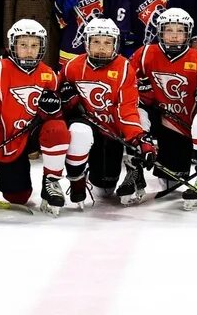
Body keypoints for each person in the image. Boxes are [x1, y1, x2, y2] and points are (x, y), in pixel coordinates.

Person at [0, 19, 77, 214]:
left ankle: (51, 181)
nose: (29, 50)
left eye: (34, 45)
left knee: (57, 129)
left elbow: (56, 115)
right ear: (13, 46)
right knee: (17, 196)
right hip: (9, 136)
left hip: (34, 132)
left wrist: (54, 109)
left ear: (42, 47)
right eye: (23, 45)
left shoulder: (48, 74)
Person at [59, 18, 158, 205]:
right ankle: (77, 178)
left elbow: (127, 109)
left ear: (115, 44)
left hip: (116, 125)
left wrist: (139, 138)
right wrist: (64, 96)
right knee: (102, 189)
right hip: (91, 125)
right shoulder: (72, 66)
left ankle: (134, 170)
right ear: (86, 42)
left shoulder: (124, 67)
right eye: (96, 41)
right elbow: (57, 91)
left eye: (107, 42)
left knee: (141, 117)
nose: (101, 47)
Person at [129, 8, 197, 204]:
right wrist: (141, 90)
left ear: (188, 33)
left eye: (180, 30)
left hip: (182, 122)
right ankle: (133, 171)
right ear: (160, 31)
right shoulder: (144, 54)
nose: (175, 36)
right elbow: (126, 84)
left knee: (171, 178)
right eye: (169, 30)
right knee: (133, 115)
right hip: (155, 114)